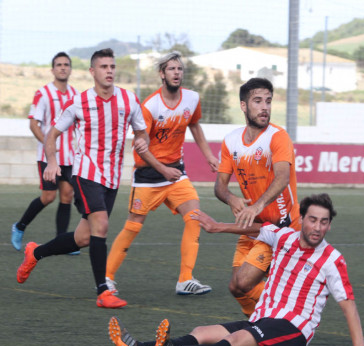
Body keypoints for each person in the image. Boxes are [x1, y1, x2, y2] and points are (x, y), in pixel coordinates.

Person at [108, 194, 364, 346]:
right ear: (301, 220)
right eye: (313, 220)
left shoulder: (331, 259)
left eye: (324, 222)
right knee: (201, 332)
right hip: (263, 320)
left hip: (292, 331)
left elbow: (349, 306)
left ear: (329, 226)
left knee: (233, 342)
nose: (318, 227)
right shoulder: (284, 237)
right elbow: (256, 228)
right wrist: (216, 226)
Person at [16, 48, 151, 309]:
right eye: (103, 67)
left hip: (111, 178)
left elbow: (141, 132)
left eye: (112, 66)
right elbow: (52, 134)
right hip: (86, 173)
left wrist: (142, 142)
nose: (109, 71)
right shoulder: (79, 102)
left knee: (84, 238)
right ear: (92, 72)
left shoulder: (129, 100)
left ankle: (36, 252)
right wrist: (52, 162)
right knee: (100, 226)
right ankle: (103, 291)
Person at [105, 51, 219, 296]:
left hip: (176, 174)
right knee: (133, 226)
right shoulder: (149, 106)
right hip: (148, 176)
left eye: (180, 69)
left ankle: (185, 280)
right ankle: (107, 278)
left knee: (194, 216)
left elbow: (195, 125)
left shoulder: (191, 98)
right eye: (171, 69)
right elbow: (141, 147)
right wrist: (162, 169)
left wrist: (209, 156)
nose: (177, 73)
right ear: (161, 74)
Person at [214, 77, 300, 316]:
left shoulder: (277, 137)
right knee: (236, 288)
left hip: (281, 228)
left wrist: (256, 206)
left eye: (269, 101)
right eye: (258, 101)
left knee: (242, 283)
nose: (265, 107)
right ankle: (263, 325)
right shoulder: (231, 141)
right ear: (243, 106)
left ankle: (288, 315)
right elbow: (219, 187)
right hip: (252, 227)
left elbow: (282, 177)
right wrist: (232, 199)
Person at [11, 52, 79, 254]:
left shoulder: (76, 95)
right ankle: (20, 226)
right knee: (48, 196)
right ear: (52, 69)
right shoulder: (43, 93)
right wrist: (48, 145)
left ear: (70, 69)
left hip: (69, 157)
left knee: (67, 195)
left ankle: (62, 242)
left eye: (66, 64)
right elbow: (34, 124)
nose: (63, 68)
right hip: (48, 157)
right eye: (59, 65)